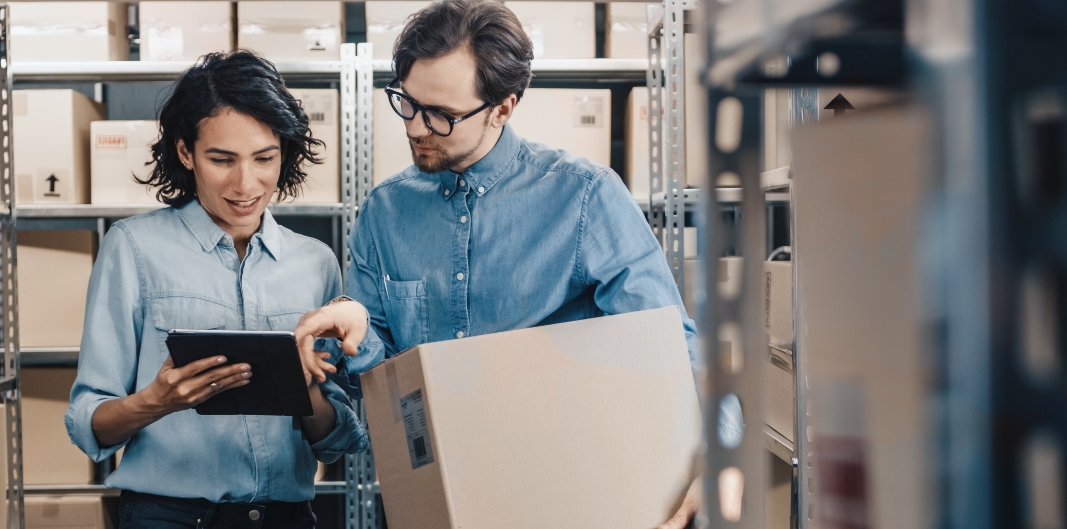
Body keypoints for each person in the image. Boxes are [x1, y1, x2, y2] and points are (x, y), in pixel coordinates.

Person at [291, 0, 702, 526]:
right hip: (433, 503)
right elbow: (383, 396)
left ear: (503, 108)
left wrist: (716, 455)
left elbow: (672, 348)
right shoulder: (383, 213)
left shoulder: (584, 198)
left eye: (441, 114)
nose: (416, 127)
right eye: (407, 102)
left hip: (565, 498)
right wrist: (362, 333)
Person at [64, 51, 368, 529]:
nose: (246, 183)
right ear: (186, 153)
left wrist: (305, 388)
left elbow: (339, 441)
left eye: (264, 158)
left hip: (287, 519)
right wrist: (157, 401)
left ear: (284, 152)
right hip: (169, 518)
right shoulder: (133, 249)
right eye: (221, 159)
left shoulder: (316, 263)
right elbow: (88, 424)